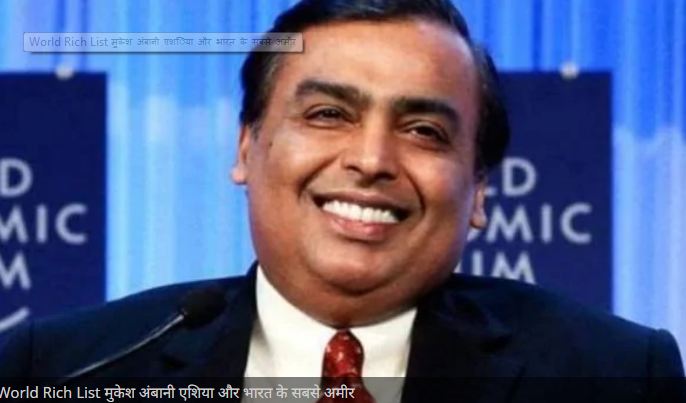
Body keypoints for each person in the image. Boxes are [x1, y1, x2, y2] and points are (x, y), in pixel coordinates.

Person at [1, 0, 683, 401]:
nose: (371, 159)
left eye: (424, 130)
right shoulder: (65, 369)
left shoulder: (616, 375)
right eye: (328, 114)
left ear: (478, 188)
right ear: (247, 147)